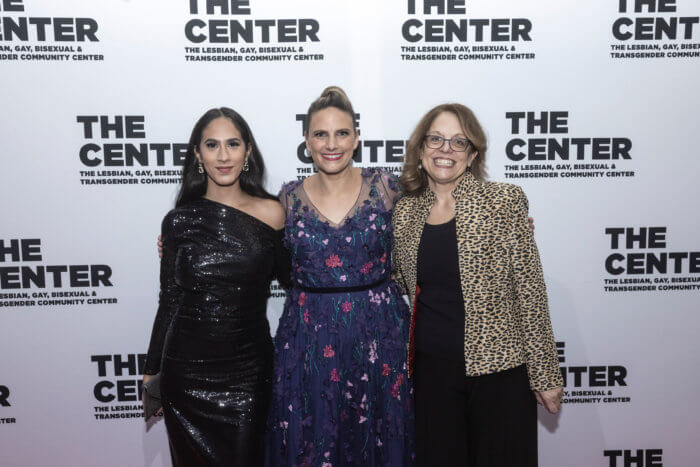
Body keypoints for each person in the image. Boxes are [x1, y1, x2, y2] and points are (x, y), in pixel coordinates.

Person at [391, 103, 563, 467]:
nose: (445, 149)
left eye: (458, 142)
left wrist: (545, 373)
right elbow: (394, 279)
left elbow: (530, 292)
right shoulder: (405, 211)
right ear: (420, 149)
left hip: (500, 375)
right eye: (435, 139)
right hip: (432, 374)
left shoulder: (503, 201)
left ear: (472, 155)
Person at [265, 87, 415, 466]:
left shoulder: (387, 188)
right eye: (321, 134)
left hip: (380, 337)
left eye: (342, 133)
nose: (332, 144)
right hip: (307, 342)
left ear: (356, 138)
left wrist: (504, 224)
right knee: (311, 440)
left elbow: (442, 215)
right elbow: (247, 244)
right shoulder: (285, 200)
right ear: (306, 141)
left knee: (382, 434)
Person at [143, 107, 290, 466]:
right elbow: (170, 299)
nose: (223, 156)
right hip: (186, 374)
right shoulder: (178, 221)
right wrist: (151, 371)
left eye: (233, 144)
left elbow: (295, 280)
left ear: (248, 152)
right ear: (198, 154)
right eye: (212, 145)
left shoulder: (273, 213)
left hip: (247, 373)